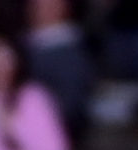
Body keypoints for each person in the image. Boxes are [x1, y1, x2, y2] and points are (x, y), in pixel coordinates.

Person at [23, 0, 98, 141]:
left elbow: (70, 107)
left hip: (49, 136)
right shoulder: (24, 43)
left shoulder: (71, 53)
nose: (40, 8)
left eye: (50, 4)